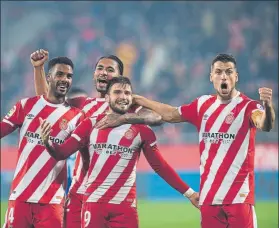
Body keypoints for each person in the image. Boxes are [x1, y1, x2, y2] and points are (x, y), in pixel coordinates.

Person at [99, 54, 276, 228]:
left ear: (236, 77)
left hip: (239, 198)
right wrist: (139, 100)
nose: (224, 76)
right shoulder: (202, 105)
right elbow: (171, 114)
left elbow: (265, 124)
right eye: (219, 72)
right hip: (209, 201)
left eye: (229, 72)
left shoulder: (249, 106)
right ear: (211, 77)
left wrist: (268, 106)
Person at [39, 77, 200, 228]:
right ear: (107, 98)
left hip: (125, 207)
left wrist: (190, 193)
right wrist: (48, 142)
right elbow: (62, 153)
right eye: (117, 92)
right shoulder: (91, 123)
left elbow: (160, 166)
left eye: (127, 93)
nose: (123, 96)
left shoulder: (142, 130)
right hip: (94, 204)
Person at [30, 49, 162, 227]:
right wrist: (38, 69)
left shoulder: (128, 108)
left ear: (118, 77)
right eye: (100, 68)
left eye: (110, 70)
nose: (103, 72)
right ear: (94, 74)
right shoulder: (82, 104)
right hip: (79, 194)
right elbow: (48, 103)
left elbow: (157, 117)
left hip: (113, 197)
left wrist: (124, 117)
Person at [1, 57, 84, 228]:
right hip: (20, 196)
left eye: (69, 76)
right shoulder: (25, 106)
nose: (65, 79)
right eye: (60, 74)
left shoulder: (76, 116)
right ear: (48, 77)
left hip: (52, 201)